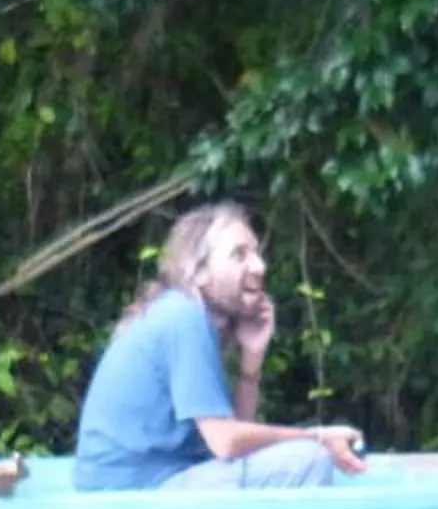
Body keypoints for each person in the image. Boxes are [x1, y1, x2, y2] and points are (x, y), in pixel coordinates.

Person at [72, 201, 368, 490]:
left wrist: (251, 360)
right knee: (309, 460)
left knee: (304, 455)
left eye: (256, 253)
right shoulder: (183, 317)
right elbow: (226, 443)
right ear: (198, 272)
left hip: (150, 482)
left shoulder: (182, 314)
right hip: (134, 494)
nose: (259, 266)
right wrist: (316, 437)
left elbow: (231, 441)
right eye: (239, 255)